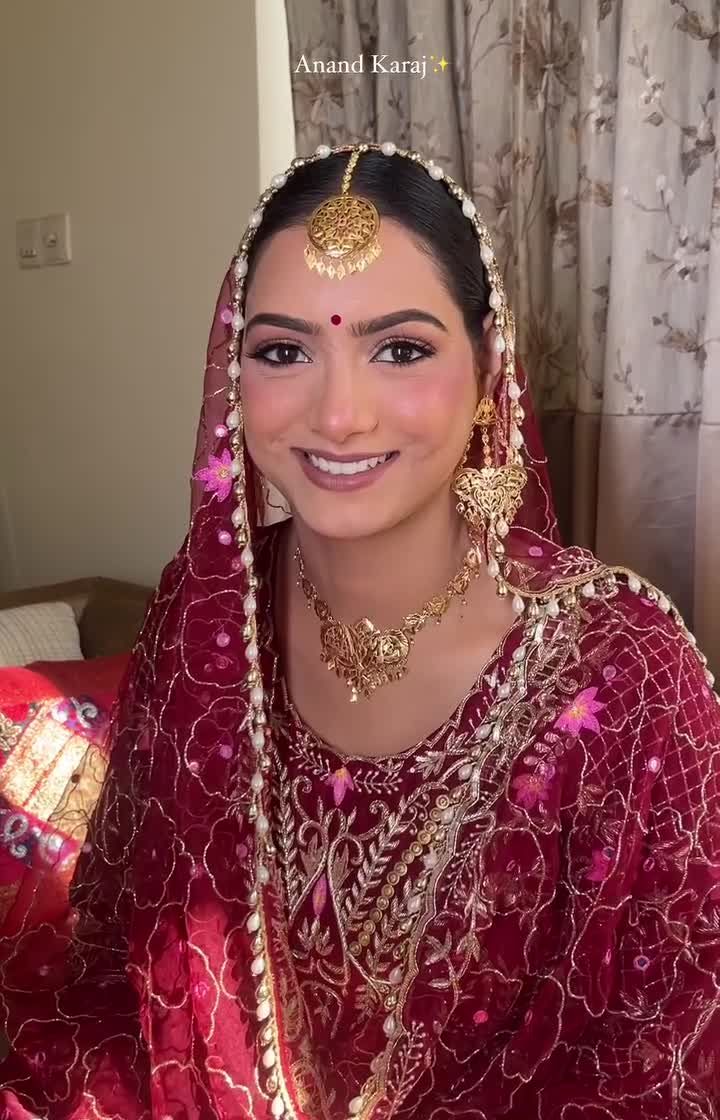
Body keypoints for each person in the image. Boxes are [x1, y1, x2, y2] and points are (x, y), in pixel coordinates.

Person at [1, 141, 718, 1120]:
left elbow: (663, 1054)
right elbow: (131, 951)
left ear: (488, 369)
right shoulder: (205, 616)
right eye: (283, 351)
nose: (339, 416)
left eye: (402, 349)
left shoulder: (620, 670)